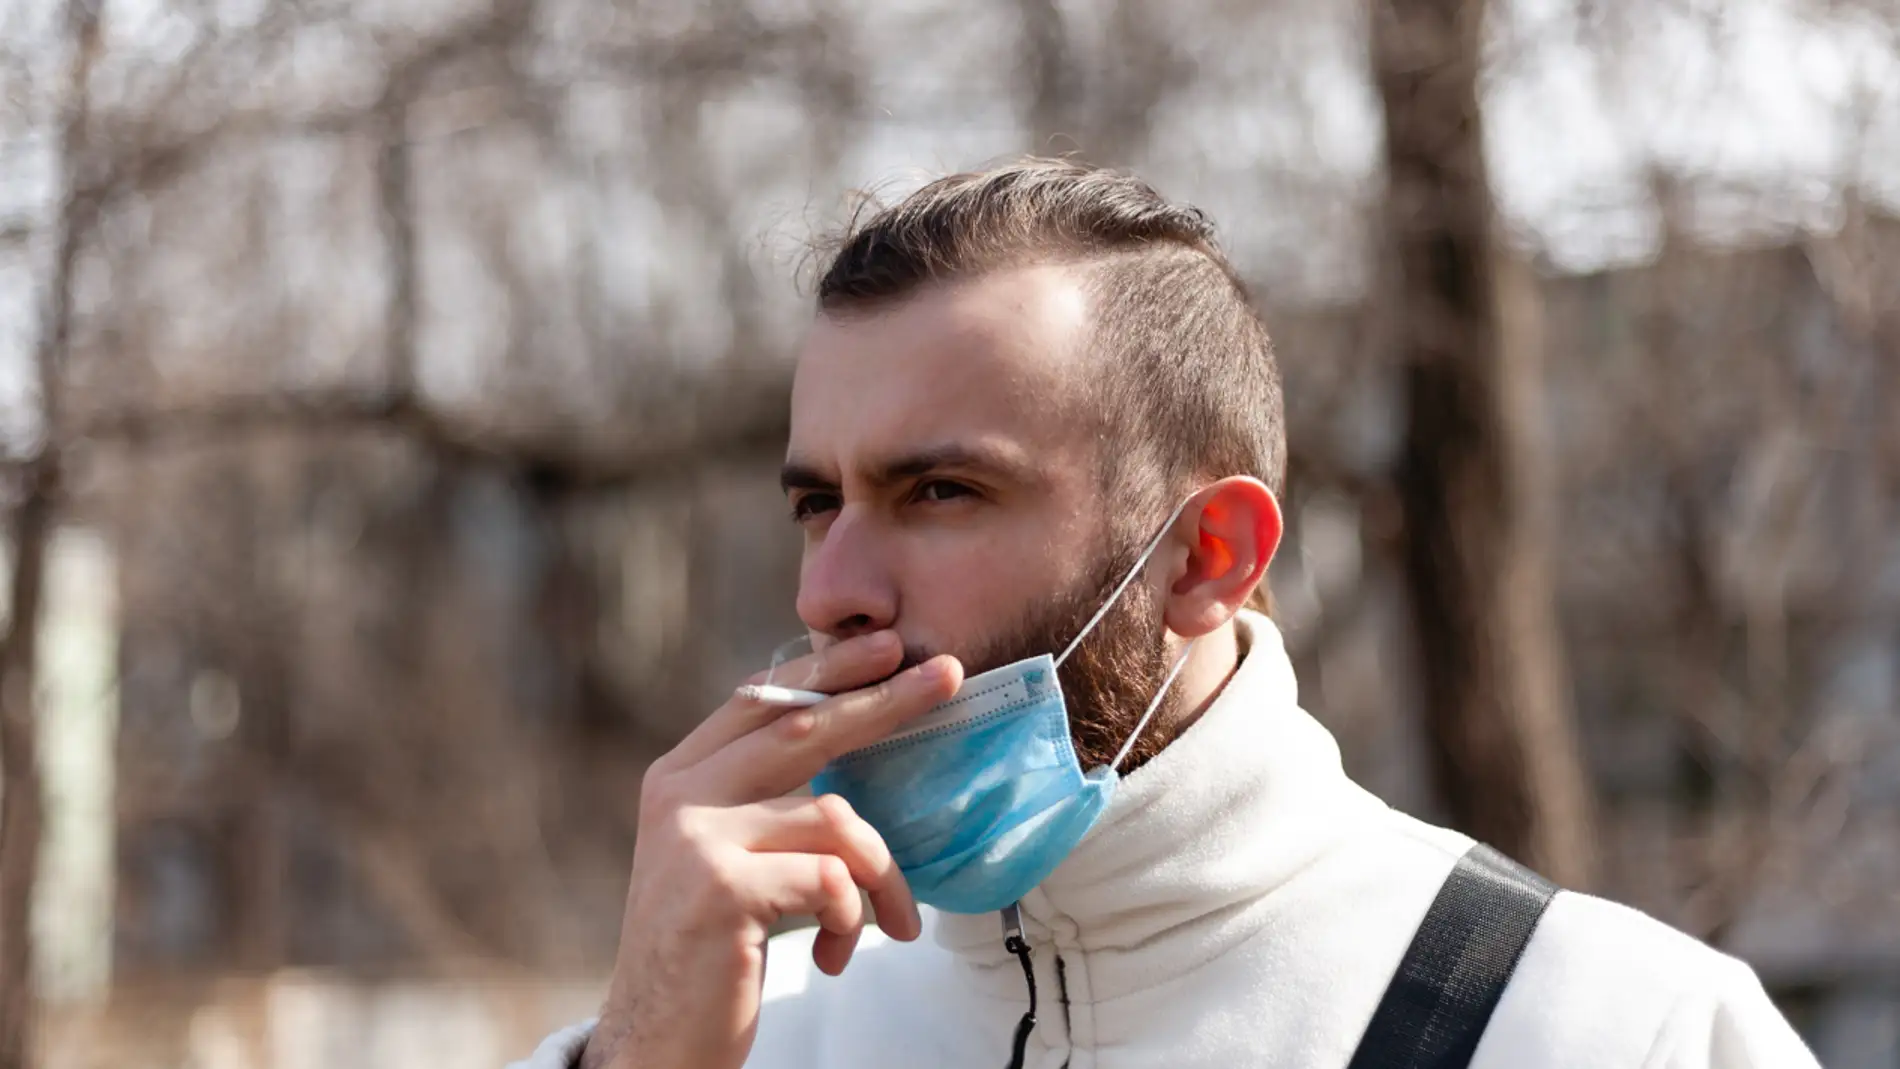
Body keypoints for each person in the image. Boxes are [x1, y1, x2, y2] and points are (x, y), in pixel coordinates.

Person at [509, 158, 1818, 1069]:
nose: (828, 591)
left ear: (1208, 554)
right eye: (816, 503)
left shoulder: (1602, 1032)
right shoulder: (731, 1042)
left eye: (940, 491)